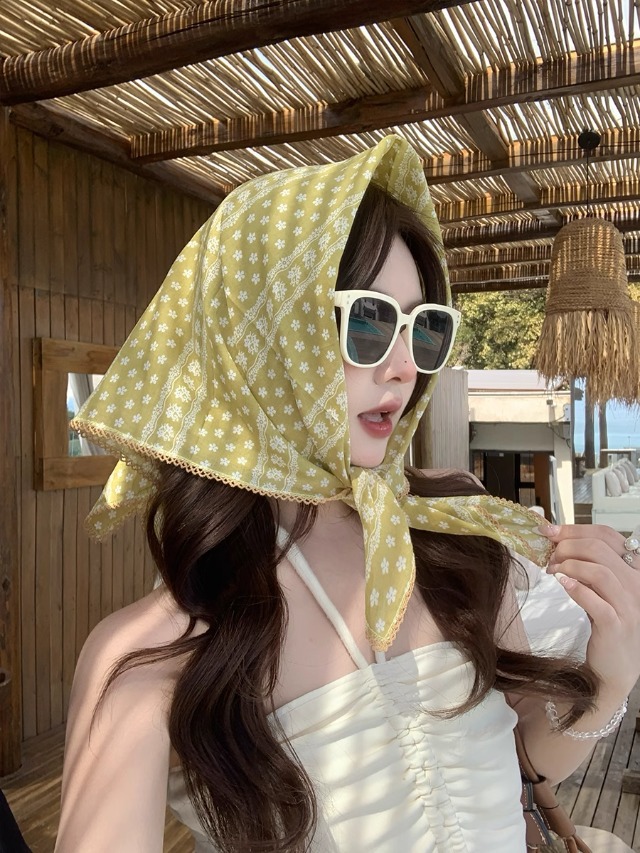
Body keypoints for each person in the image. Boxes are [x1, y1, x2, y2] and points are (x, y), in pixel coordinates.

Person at [55, 136, 640, 852]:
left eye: (426, 328)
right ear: (260, 335)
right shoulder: (152, 649)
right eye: (367, 320)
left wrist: (612, 677)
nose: (404, 367)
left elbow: (523, 769)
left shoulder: (449, 534)